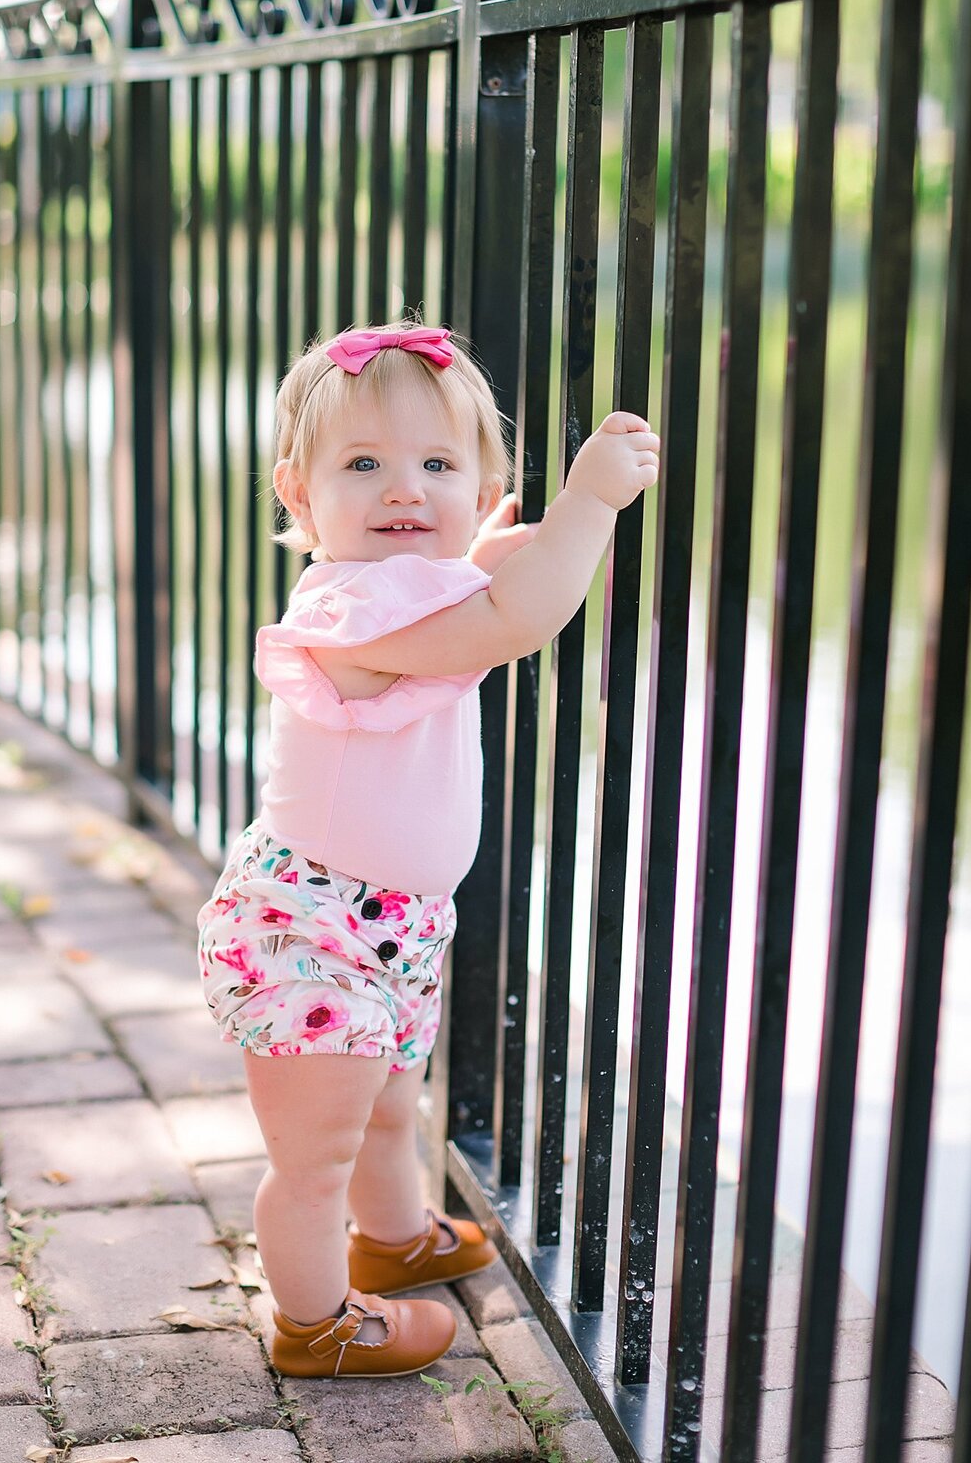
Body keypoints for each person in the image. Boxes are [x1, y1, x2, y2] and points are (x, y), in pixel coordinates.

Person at [197, 317, 660, 1381]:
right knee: (312, 1154)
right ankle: (314, 1325)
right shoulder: (346, 607)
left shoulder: (414, 582)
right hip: (309, 930)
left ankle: (394, 1240)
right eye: (365, 465)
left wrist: (493, 539)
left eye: (437, 466)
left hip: (394, 924)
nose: (404, 489)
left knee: (391, 1102)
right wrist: (586, 503)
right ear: (300, 496)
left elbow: (482, 571)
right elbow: (512, 618)